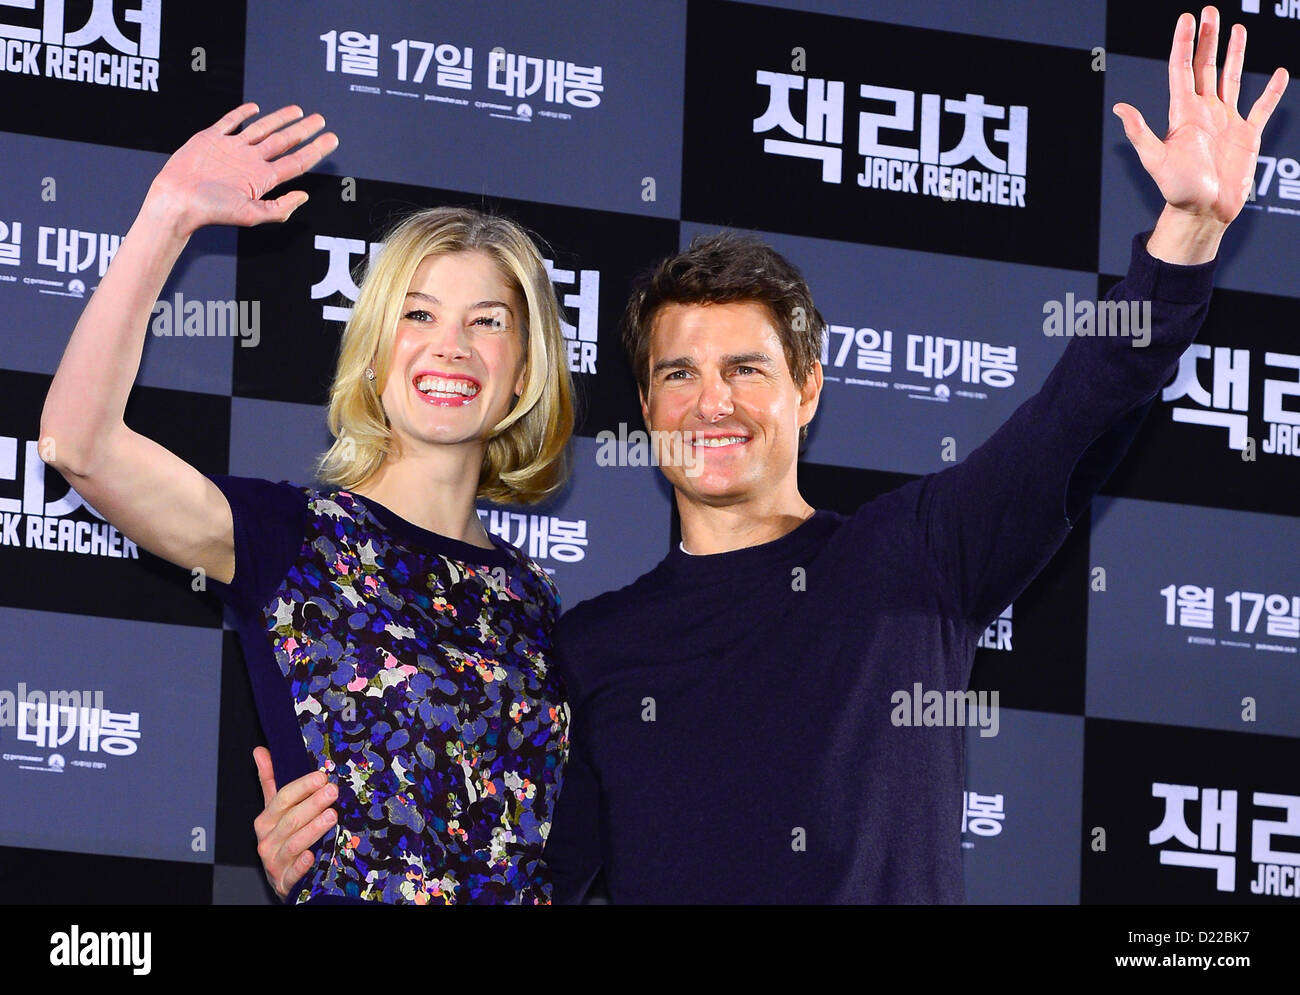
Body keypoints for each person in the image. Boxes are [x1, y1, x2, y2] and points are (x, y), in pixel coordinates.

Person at [252, 6, 1289, 902]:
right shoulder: (594, 646)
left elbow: (1079, 410)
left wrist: (1186, 231)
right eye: (677, 374)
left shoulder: (916, 557)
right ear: (647, 408)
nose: (713, 402)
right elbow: (515, 872)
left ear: (807, 385)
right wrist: (337, 848)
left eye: (747, 368)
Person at [40, 103, 577, 904]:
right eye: (418, 314)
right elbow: (78, 445)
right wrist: (168, 215)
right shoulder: (291, 537)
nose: (451, 346)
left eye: (487, 322)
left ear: (525, 372)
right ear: (372, 354)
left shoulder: (534, 597)